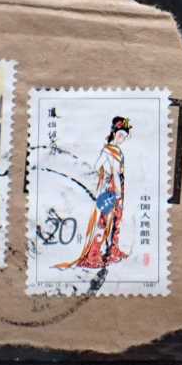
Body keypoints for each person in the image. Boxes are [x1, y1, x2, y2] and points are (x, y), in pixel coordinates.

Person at [55, 116, 132, 270]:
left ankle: (112, 250)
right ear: (114, 133)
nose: (122, 138)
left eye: (125, 136)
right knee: (103, 221)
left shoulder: (116, 150)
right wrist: (108, 177)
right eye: (120, 134)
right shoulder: (109, 150)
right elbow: (99, 167)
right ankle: (94, 254)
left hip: (118, 187)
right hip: (111, 189)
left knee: (116, 220)